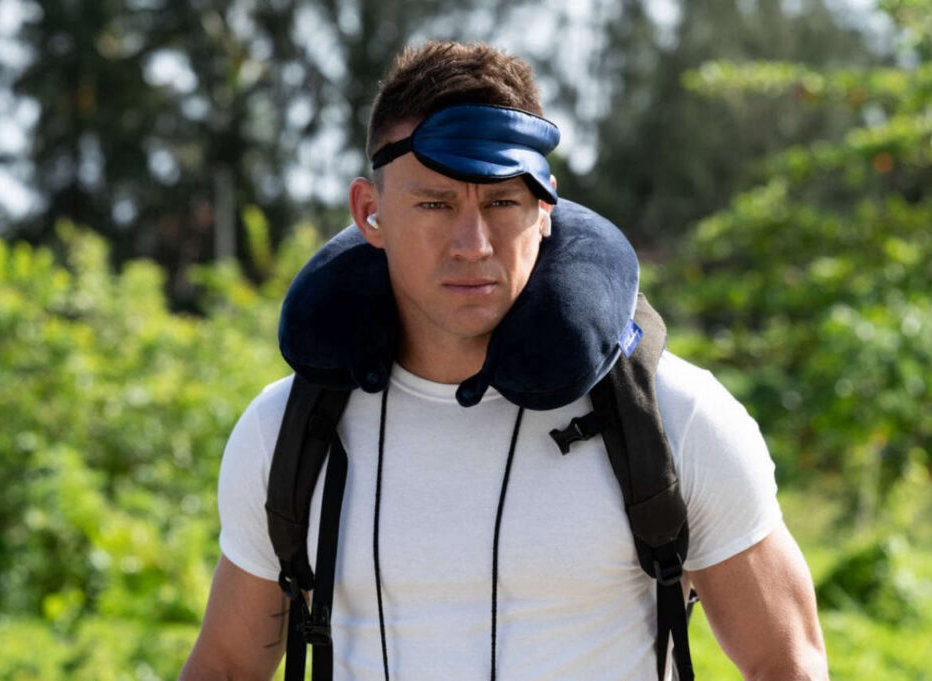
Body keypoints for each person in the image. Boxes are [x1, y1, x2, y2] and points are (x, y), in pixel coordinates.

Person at [179, 41, 829, 681]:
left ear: (544, 210)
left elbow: (788, 662)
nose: (473, 244)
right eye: (434, 204)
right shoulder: (284, 432)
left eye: (501, 202)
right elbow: (228, 667)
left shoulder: (674, 418)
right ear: (369, 213)